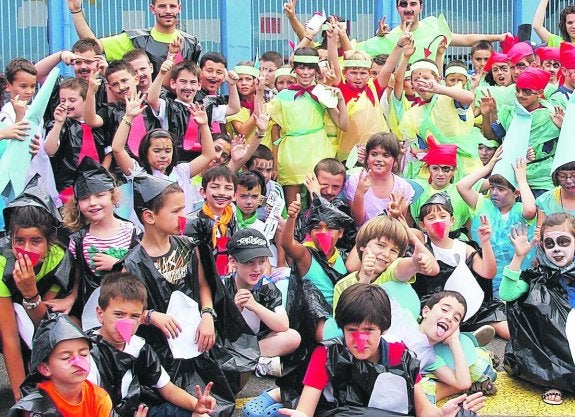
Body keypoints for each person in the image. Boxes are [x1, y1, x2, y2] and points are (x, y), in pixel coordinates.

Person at [123, 173, 258, 413]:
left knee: (222, 389)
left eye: (183, 209)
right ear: (149, 216)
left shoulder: (188, 246)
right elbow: (124, 313)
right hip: (159, 351)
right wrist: (150, 316)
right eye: (175, 211)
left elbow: (204, 284)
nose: (183, 217)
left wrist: (207, 314)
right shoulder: (132, 263)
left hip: (196, 337)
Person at [276, 283, 486, 417]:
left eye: (369, 330)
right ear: (342, 328)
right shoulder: (326, 355)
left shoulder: (400, 355)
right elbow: (305, 410)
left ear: (383, 329)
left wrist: (442, 414)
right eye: (352, 330)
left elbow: (423, 409)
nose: (360, 340)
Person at [88, 272, 217, 416]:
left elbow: (167, 388)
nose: (126, 323)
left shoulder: (139, 346)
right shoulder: (87, 353)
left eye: (134, 316)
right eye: (119, 314)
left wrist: (196, 404)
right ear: (100, 314)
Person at [0, 175, 73, 401]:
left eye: (35, 241)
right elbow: (9, 337)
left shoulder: (59, 259)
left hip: (36, 319)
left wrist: (30, 292)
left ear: (49, 242)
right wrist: (21, 401)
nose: (26, 249)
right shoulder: (3, 262)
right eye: (19, 241)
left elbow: (44, 323)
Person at [502, 213, 575, 405]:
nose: (557, 248)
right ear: (542, 246)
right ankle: (553, 379)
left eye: (564, 241)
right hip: (554, 350)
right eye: (550, 244)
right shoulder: (537, 278)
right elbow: (507, 294)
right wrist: (519, 257)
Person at [413, 193, 509, 339]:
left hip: (467, 306)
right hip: (436, 307)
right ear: (422, 225)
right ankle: (466, 337)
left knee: (505, 327)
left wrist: (485, 242)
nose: (438, 221)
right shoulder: (422, 246)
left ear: (452, 221)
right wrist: (398, 216)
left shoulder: (463, 248)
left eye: (442, 216)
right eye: (431, 218)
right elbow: (406, 233)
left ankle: (471, 332)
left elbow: (488, 272)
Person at [58, 158, 137, 320]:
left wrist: (117, 265)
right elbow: (77, 277)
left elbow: (141, 271)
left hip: (127, 309)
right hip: (92, 313)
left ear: (112, 197)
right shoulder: (78, 241)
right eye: (84, 198)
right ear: (77, 204)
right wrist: (72, 297)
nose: (92, 203)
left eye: (100, 195)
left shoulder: (131, 231)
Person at [113, 90, 216, 214]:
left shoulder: (182, 172)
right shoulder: (138, 175)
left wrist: (204, 125)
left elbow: (208, 155)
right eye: (156, 151)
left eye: (168, 151)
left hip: (181, 226)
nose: (163, 156)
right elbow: (117, 149)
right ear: (146, 152)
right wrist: (128, 117)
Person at [269, 47, 348, 205]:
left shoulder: (322, 93)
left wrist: (340, 100)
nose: (305, 73)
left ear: (316, 70)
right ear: (294, 69)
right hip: (291, 154)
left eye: (310, 68)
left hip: (318, 152)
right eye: (301, 68)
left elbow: (343, 125)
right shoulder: (282, 96)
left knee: (319, 204)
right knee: (293, 206)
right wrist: (275, 164)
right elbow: (272, 129)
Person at [457, 148, 536, 300]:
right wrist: (488, 167)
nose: (494, 192)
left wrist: (521, 180)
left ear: (516, 193)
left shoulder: (521, 210)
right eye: (492, 188)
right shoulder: (483, 205)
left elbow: (531, 209)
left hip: (516, 278)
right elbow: (462, 186)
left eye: (501, 189)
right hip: (485, 277)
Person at [223, 228, 300, 378]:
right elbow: (217, 329)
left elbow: (283, 325)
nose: (257, 269)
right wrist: (234, 310)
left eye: (262, 261)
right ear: (233, 261)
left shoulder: (267, 287)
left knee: (293, 337)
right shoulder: (223, 286)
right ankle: (257, 363)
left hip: (257, 342)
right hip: (230, 342)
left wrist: (255, 306)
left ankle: (247, 360)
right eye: (249, 262)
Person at [9, 312, 112, 417]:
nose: (78, 363)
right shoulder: (36, 408)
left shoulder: (99, 398)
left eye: (83, 354)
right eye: (66, 357)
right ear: (45, 369)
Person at [334, 215, 439, 317]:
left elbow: (403, 268)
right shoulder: (343, 286)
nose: (386, 254)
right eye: (380, 245)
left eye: (393, 251)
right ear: (362, 245)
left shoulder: (390, 273)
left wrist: (414, 263)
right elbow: (346, 321)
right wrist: (365, 278)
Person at [281, 195, 354, 341]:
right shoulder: (306, 255)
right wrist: (292, 217)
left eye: (330, 228)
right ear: (309, 233)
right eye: (317, 228)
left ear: (340, 233)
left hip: (341, 317)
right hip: (314, 323)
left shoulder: (345, 258)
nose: (323, 233)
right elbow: (287, 244)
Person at [399, 59, 482, 182]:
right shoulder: (411, 114)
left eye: (426, 78)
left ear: (438, 80)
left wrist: (438, 89)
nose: (422, 83)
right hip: (438, 173)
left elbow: (469, 97)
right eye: (416, 80)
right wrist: (411, 151)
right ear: (412, 83)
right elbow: (417, 148)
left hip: (467, 169)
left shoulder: (450, 97)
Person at [482, 67, 560, 196]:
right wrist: (486, 115)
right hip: (510, 175)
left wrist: (562, 127)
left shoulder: (551, 116)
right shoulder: (509, 112)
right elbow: (491, 136)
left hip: (542, 179)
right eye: (518, 90)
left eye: (527, 92)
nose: (520, 95)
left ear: (540, 93)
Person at [67, 0, 201, 74]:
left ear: (179, 8)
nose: (168, 11)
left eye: (172, 6)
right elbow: (92, 46)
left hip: (181, 111)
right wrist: (76, 11)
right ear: (152, 9)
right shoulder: (135, 39)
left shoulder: (191, 43)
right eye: (162, 6)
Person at [355, 0, 508, 63]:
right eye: (403, 4)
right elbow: (352, 52)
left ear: (421, 7)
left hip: (434, 96)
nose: (408, 8)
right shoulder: (389, 38)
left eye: (413, 4)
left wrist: (499, 37)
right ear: (397, 8)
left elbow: (466, 39)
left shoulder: (433, 26)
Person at [44, 78, 110, 204]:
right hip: (68, 190)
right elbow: (49, 150)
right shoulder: (61, 125)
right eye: (63, 100)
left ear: (86, 101)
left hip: (98, 185)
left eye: (72, 100)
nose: (66, 104)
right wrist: (58, 123)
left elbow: (109, 151)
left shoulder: (98, 124)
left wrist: (103, 173)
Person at [344, 133, 415, 226]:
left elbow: (405, 226)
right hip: (363, 233)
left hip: (392, 233)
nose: (379, 159)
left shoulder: (403, 187)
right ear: (367, 158)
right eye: (374, 154)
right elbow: (357, 221)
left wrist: (397, 214)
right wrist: (360, 193)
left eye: (386, 155)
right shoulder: (356, 180)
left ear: (395, 161)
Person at [184, 165, 238, 275]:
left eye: (228, 188)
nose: (221, 192)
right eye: (215, 187)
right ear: (203, 192)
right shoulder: (193, 222)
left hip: (226, 274)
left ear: (235, 195)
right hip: (202, 275)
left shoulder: (230, 217)